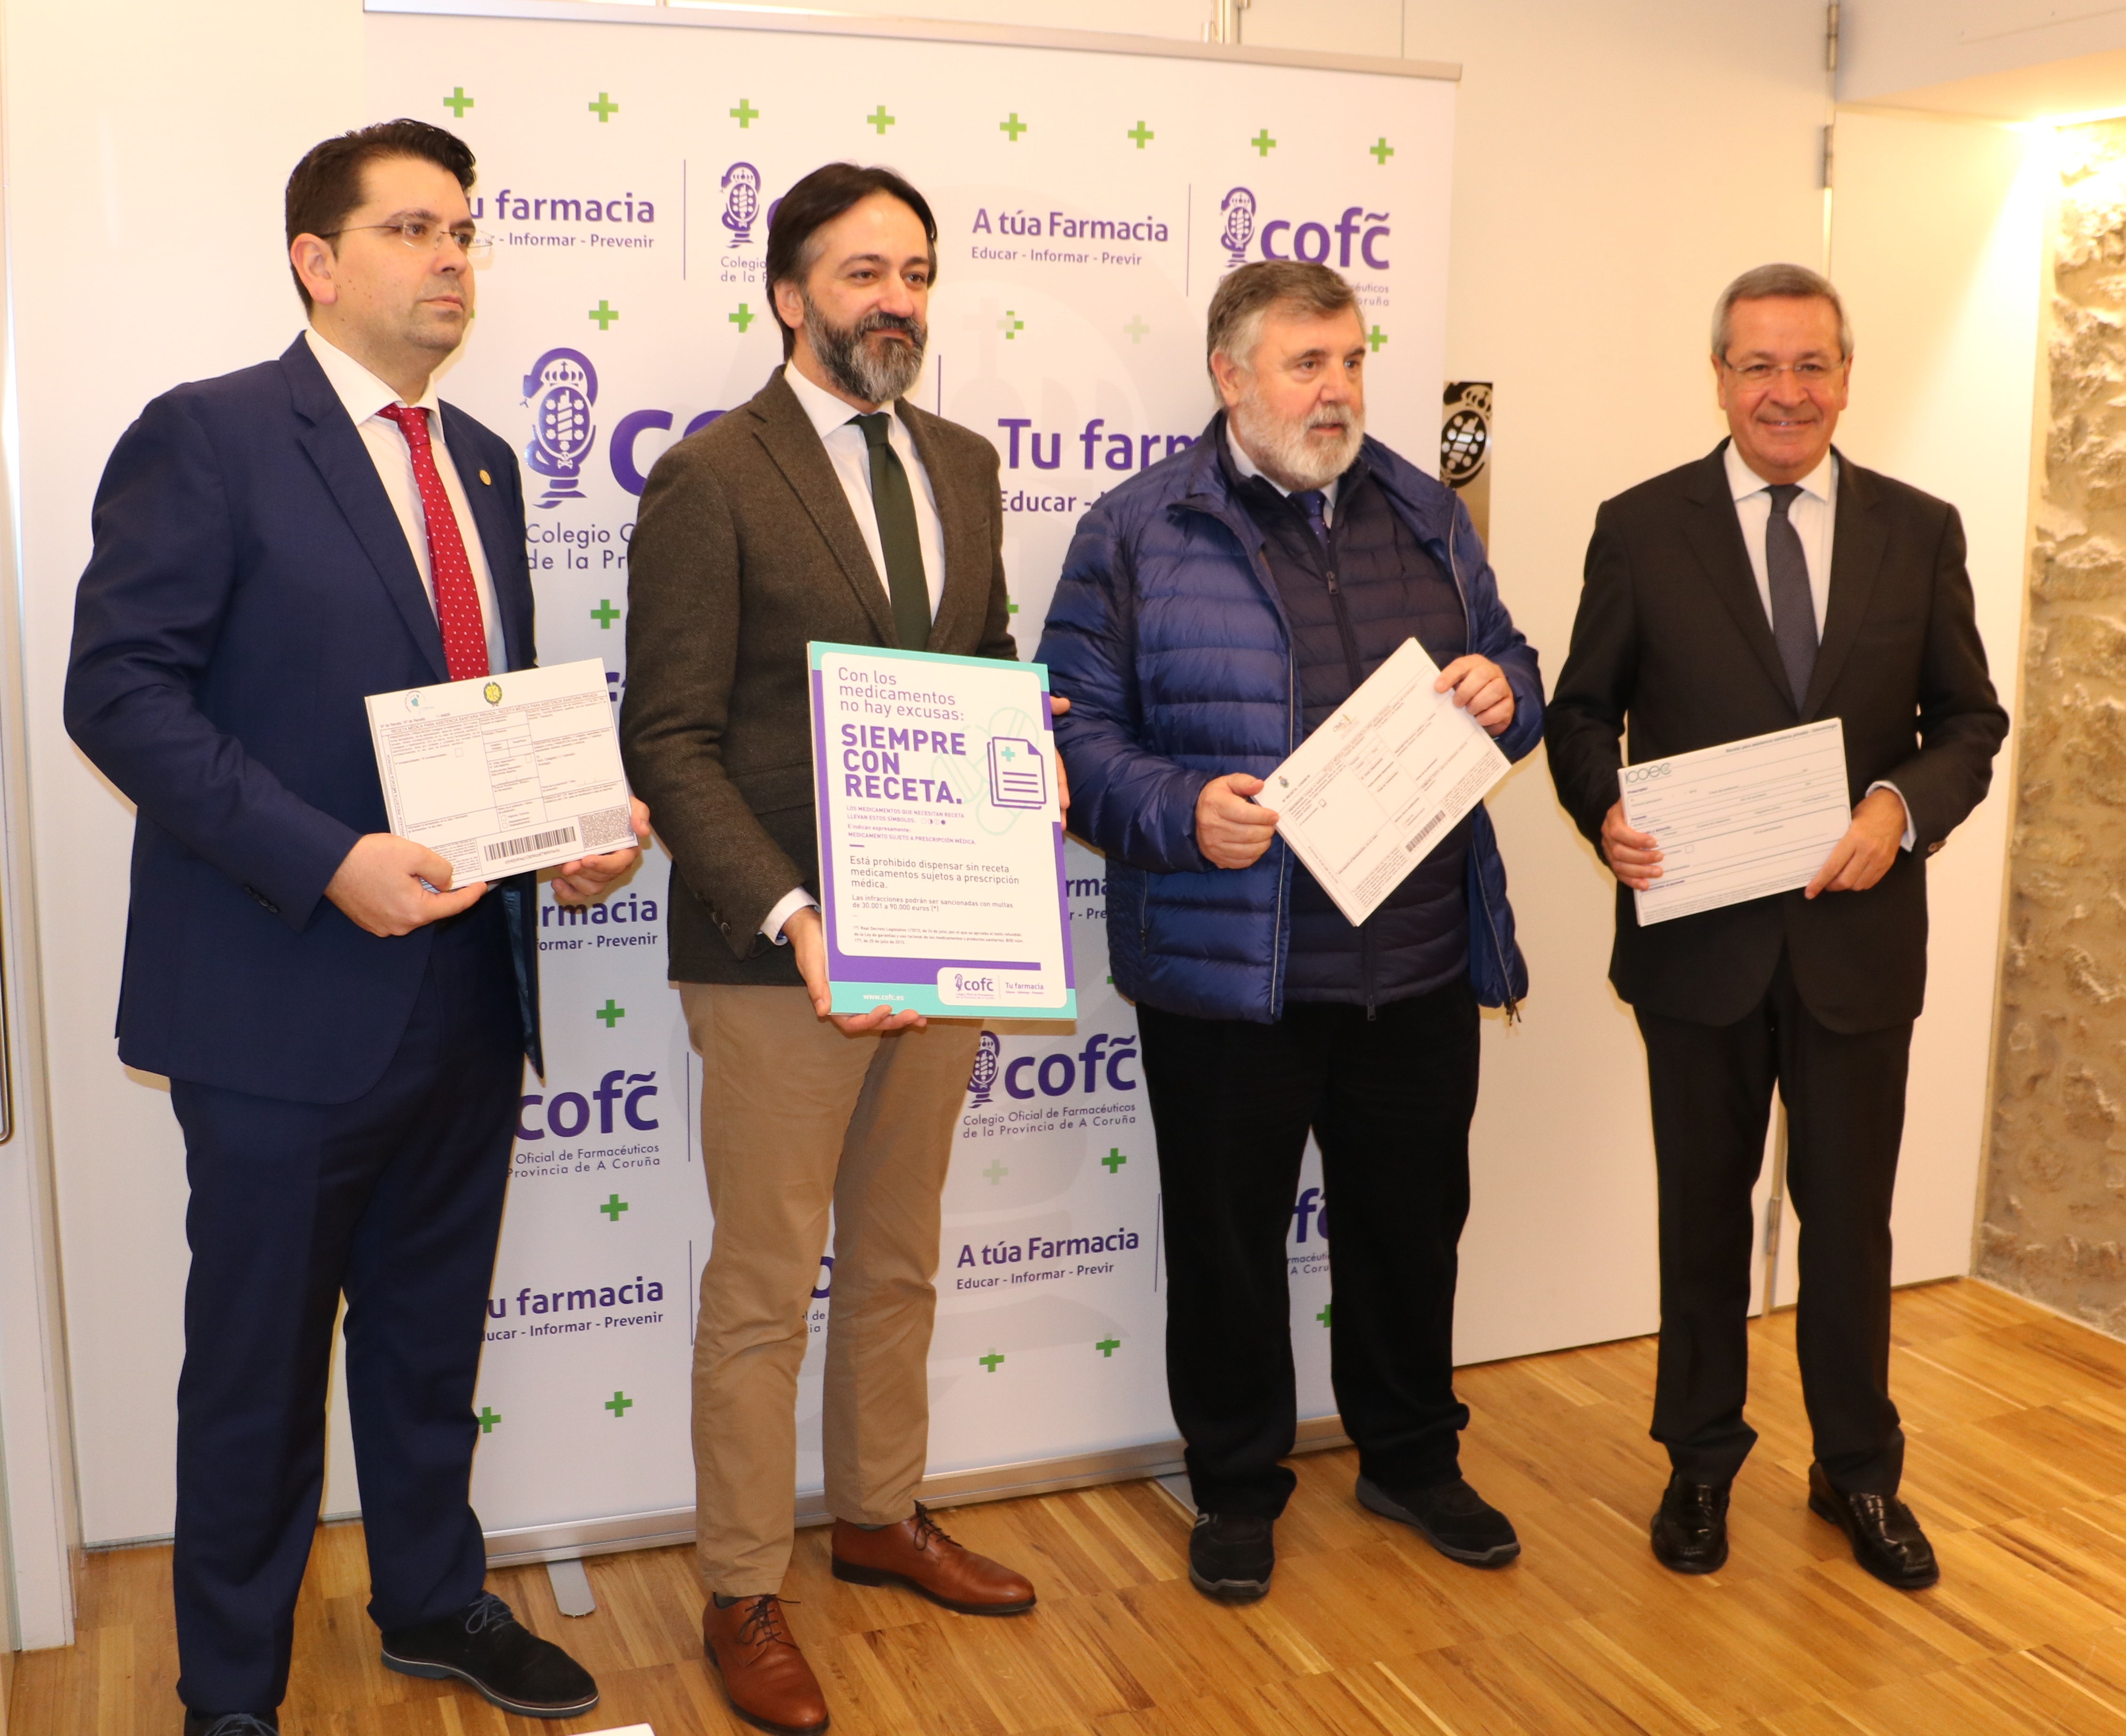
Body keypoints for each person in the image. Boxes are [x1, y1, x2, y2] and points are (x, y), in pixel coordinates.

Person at [63, 120, 647, 1736]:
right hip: (275, 1008)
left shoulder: (486, 466)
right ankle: (233, 1701)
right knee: (254, 1379)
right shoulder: (208, 436)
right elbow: (115, 693)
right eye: (413, 229)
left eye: (465, 228)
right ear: (319, 262)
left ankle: (431, 1600)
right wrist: (328, 861)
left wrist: (569, 843)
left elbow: (486, 724)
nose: (455, 255)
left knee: (424, 1341)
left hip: (464, 993)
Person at [1037, 259, 1543, 1604]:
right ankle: (1238, 1482)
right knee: (1225, 1243)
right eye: (1306, 364)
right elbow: (1067, 734)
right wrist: (1177, 808)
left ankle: (1410, 1457)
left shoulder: (1427, 512)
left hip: (1415, 959)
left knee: (1409, 1226)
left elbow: (1518, 669)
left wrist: (1508, 690)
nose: (1337, 390)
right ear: (1230, 375)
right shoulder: (1136, 529)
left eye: (1351, 361)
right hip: (1225, 972)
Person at [620, 162, 1037, 1736]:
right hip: (779, 951)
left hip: (947, 937)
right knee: (758, 1290)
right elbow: (667, 733)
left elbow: (981, 660)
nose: (897, 300)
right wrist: (793, 916)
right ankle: (742, 1583)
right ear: (789, 294)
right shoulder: (714, 476)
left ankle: (878, 1513)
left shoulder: (969, 463)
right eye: (862, 272)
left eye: (917, 270)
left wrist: (1030, 748)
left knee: (901, 1256)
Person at [1545, 263, 2008, 1590]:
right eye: (1759, 365)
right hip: (1697, 947)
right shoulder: (1642, 528)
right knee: (1702, 1212)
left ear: (1847, 377)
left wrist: (1898, 807)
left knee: (1851, 1221)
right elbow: (1583, 715)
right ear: (1720, 378)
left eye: (1811, 365)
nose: (1786, 391)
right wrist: (1606, 812)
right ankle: (1699, 1460)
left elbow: (1969, 723)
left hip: (1858, 946)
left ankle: (1858, 1474)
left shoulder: (1919, 530)